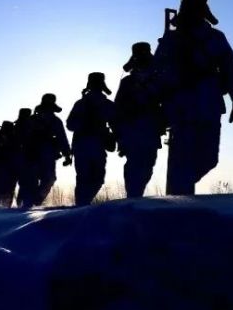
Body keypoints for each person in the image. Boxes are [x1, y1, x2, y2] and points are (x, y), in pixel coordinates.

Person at [150, 0, 233, 196]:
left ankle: (181, 188)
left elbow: (231, 68)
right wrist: (157, 107)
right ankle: (178, 203)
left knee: (209, 158)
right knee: (181, 163)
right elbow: (156, 73)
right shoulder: (171, 40)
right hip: (181, 107)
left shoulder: (215, 37)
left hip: (209, 104)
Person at [114, 42, 166, 198]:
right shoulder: (127, 82)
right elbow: (118, 108)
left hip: (151, 128)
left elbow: (166, 100)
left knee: (149, 164)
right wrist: (118, 133)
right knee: (133, 165)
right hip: (131, 129)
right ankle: (133, 196)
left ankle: (137, 194)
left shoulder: (158, 79)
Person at [66, 72, 117, 206]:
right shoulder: (83, 104)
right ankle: (81, 206)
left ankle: (82, 205)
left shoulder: (105, 104)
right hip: (85, 145)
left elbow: (116, 124)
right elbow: (70, 124)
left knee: (93, 179)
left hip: (94, 146)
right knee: (88, 179)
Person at [16, 93, 73, 208]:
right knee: (36, 180)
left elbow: (62, 138)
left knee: (46, 180)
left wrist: (67, 154)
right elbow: (21, 138)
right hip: (35, 154)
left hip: (44, 154)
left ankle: (33, 202)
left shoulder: (53, 121)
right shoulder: (33, 120)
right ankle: (28, 203)